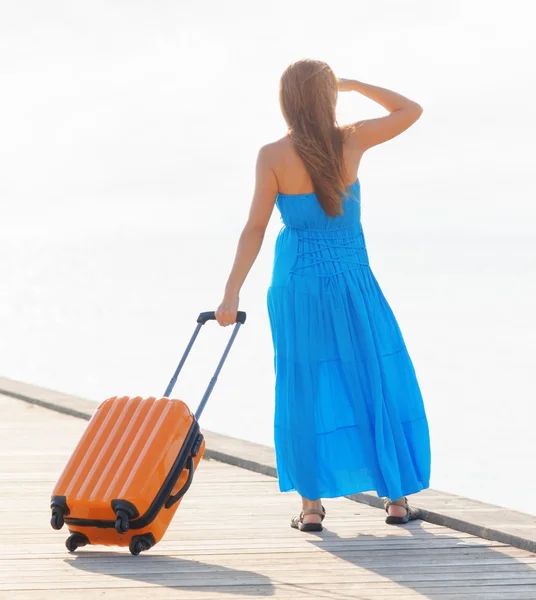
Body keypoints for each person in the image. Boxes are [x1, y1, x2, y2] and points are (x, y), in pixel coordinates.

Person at [215, 59, 431, 532]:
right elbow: (409, 109)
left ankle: (311, 509)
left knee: (303, 386)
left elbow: (254, 227)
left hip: (296, 284)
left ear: (286, 101)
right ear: (328, 97)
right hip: (351, 277)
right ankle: (396, 501)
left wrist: (230, 293)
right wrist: (353, 84)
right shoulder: (350, 138)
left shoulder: (272, 154)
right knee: (373, 374)